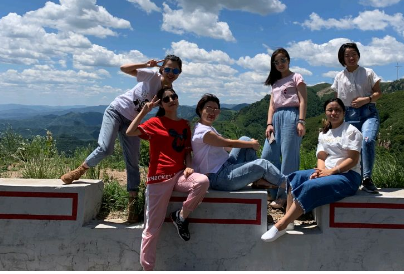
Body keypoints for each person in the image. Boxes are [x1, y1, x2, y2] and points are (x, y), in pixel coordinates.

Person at [60, 54, 183, 221]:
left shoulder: (168, 93)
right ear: (162, 68)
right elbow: (124, 68)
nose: (171, 73)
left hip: (133, 122)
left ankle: (132, 205)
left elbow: (164, 115)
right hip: (116, 111)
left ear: (179, 73)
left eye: (175, 70)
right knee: (106, 148)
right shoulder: (152, 76)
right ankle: (80, 170)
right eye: (168, 69)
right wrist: (146, 64)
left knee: (133, 162)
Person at [125, 87, 209, 271]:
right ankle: (148, 268)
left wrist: (189, 165)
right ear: (161, 105)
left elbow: (187, 151)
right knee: (152, 228)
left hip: (179, 175)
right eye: (166, 99)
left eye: (174, 96)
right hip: (158, 179)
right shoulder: (155, 123)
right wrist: (144, 112)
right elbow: (130, 132)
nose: (171, 100)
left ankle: (181, 216)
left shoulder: (184, 125)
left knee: (202, 182)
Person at [261, 98, 362, 242]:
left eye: (338, 110)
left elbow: (353, 160)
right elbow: (321, 157)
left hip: (348, 176)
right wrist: (320, 172)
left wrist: (330, 172)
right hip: (328, 172)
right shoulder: (325, 133)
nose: (334, 113)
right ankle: (289, 222)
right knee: (294, 177)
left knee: (310, 186)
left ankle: (281, 225)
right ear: (325, 112)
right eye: (330, 110)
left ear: (344, 112)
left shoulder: (351, 132)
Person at [191, 93, 286, 191]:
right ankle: (290, 187)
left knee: (245, 139)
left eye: (216, 109)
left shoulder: (205, 127)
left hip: (224, 166)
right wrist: (252, 144)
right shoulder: (203, 132)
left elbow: (225, 146)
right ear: (200, 109)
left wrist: (248, 144)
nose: (212, 112)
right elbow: (228, 143)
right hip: (218, 178)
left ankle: (258, 179)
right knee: (263, 165)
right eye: (209, 108)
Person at [331, 42, 382, 193]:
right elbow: (337, 101)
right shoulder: (339, 77)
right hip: (348, 115)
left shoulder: (368, 72)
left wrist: (366, 99)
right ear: (342, 58)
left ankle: (367, 178)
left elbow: (378, 92)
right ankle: (353, 178)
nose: (351, 58)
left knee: (367, 140)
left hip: (368, 113)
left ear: (358, 55)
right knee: (351, 147)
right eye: (347, 55)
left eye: (354, 54)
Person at [262, 48, 307, 209]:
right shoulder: (275, 82)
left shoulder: (296, 77)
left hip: (291, 116)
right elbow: (271, 105)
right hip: (276, 118)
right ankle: (272, 190)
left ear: (288, 60)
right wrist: (269, 123)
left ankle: (284, 197)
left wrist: (301, 121)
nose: (280, 64)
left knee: (289, 158)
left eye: (283, 60)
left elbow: (303, 100)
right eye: (276, 62)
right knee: (268, 155)